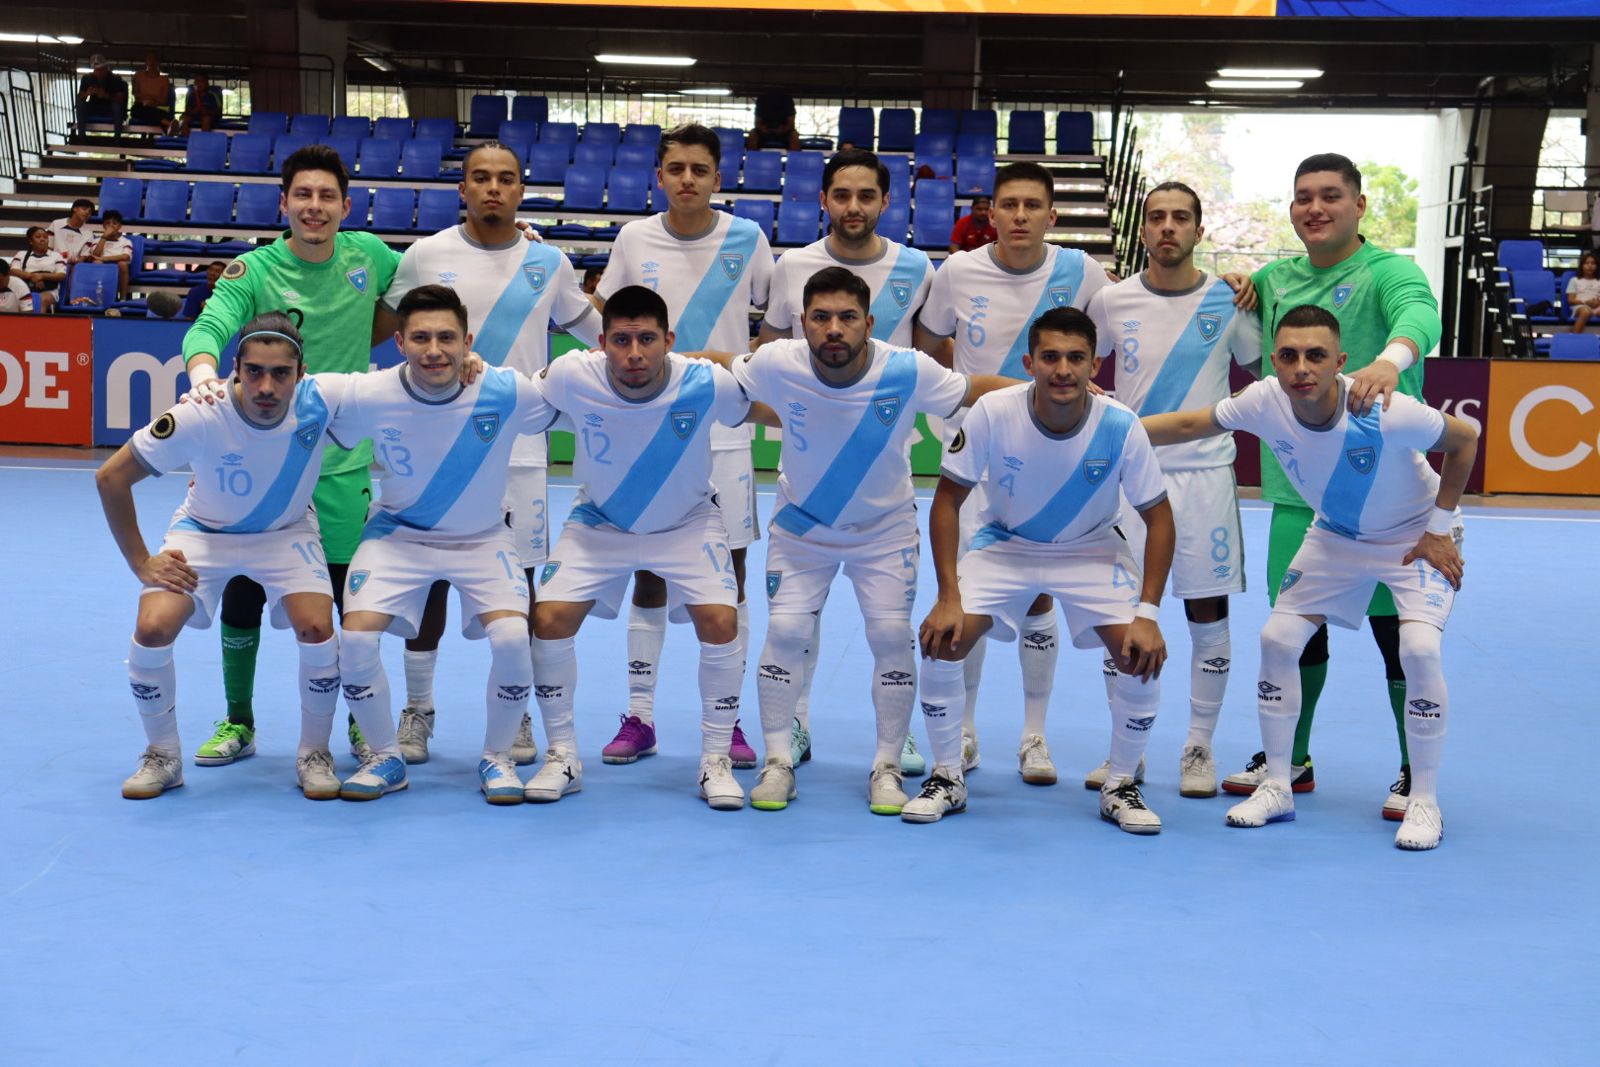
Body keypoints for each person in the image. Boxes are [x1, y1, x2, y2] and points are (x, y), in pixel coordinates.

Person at [1143, 305, 1478, 850]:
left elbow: (1463, 441)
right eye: (1290, 356)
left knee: (1418, 649)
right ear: (1273, 362)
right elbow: (1188, 424)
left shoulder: (1384, 410)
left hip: (1415, 535)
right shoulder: (1263, 401)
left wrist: (1440, 528)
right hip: (1338, 534)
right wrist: (1104, 428)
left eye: (1316, 355)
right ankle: (1278, 785)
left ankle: (1424, 800)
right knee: (1277, 638)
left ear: (1339, 361)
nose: (1303, 367)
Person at [726, 266, 1015, 814]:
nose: (834, 328)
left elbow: (975, 390)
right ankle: (777, 762)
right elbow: (722, 374)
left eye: (847, 318)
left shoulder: (908, 370)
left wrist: (1042, 388)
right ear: (801, 323)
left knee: (889, 638)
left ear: (870, 323)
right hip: (802, 528)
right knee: (786, 631)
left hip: (883, 532)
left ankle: (886, 766)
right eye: (820, 318)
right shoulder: (775, 363)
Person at [1226, 152, 1442, 821]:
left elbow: (1420, 316)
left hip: (1387, 499)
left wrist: (1390, 358)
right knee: (1293, 633)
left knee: (1395, 636)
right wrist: (1237, 279)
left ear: (1359, 205)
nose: (1314, 208)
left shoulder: (1389, 271)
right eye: (1302, 198)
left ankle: (1414, 770)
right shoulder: (1274, 278)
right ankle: (1292, 760)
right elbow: (1235, 312)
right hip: (1299, 498)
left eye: (1329, 196)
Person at [181, 144, 405, 767]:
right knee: (245, 593)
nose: (314, 206)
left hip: (340, 461)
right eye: (302, 195)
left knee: (345, 600)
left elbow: (430, 279)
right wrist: (203, 373)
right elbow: (209, 328)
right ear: (284, 204)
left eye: (326, 196)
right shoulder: (252, 271)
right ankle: (239, 722)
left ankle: (359, 721)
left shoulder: (372, 257)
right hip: (264, 463)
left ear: (345, 205)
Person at [377, 140, 600, 765]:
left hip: (518, 452)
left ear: (521, 191)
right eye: (481, 178)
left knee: (519, 587)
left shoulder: (549, 262)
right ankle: (418, 711)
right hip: (430, 450)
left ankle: (517, 711)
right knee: (428, 585)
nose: (493, 188)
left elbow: (599, 335)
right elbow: (381, 329)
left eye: (506, 179)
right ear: (463, 189)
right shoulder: (426, 254)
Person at [909, 306, 1174, 829]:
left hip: (1091, 548)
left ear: (1095, 365)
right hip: (1006, 546)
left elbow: (1160, 519)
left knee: (1139, 654)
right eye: (1050, 357)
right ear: (1029, 362)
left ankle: (1121, 784)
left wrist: (1148, 612)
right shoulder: (991, 411)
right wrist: (947, 596)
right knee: (942, 640)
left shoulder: (1121, 426)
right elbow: (945, 502)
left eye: (1076, 358)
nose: (1063, 370)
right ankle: (946, 775)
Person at [526, 285, 772, 809]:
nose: (634, 354)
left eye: (646, 339)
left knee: (721, 621)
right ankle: (562, 755)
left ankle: (715, 760)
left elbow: (765, 409)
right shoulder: (572, 375)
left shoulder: (706, 382)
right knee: (547, 620)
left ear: (670, 341)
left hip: (687, 523)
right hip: (600, 525)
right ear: (600, 342)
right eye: (621, 340)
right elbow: (517, 396)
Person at [914, 161, 1114, 784]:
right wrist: (973, 400)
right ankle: (965, 730)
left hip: (1055, 455)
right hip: (979, 456)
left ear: (1052, 216)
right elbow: (930, 346)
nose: (1020, 216)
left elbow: (1109, 339)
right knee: (969, 595)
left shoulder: (1084, 272)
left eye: (1033, 206)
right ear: (990, 214)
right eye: (1009, 205)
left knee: (1038, 595)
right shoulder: (958, 272)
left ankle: (1034, 735)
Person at [94, 313, 346, 801]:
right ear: (235, 368)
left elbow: (406, 387)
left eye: (280, 373)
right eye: (254, 371)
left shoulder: (325, 399)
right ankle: (163, 755)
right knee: (152, 628)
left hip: (285, 532)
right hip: (204, 532)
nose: (266, 385)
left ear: (302, 373)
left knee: (317, 628)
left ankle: (314, 753)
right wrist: (141, 562)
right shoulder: (199, 412)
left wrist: (471, 364)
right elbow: (111, 477)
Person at [327, 285, 549, 804]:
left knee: (515, 639)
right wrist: (207, 388)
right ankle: (385, 756)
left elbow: (585, 391)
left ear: (468, 341)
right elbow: (286, 389)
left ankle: (496, 758)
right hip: (398, 536)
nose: (434, 350)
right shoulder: (368, 392)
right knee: (356, 640)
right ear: (399, 342)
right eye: (421, 338)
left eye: (447, 338)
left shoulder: (505, 389)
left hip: (481, 538)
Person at [594, 123, 772, 768]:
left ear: (717, 179)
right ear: (660, 177)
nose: (688, 179)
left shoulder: (749, 239)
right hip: (645, 432)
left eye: (700, 169)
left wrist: (737, 369)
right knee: (649, 569)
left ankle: (727, 724)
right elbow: (606, 321)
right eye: (676, 169)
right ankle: (640, 716)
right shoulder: (633, 238)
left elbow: (773, 325)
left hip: (722, 431)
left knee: (733, 575)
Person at [755, 147, 937, 773]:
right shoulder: (794, 266)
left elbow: (936, 361)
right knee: (793, 623)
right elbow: (769, 357)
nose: (854, 207)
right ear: (824, 199)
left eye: (867, 196)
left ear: (887, 202)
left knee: (889, 630)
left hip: (884, 464)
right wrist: (811, 419)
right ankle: (794, 722)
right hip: (809, 469)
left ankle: (897, 736)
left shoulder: (917, 267)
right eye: (842, 195)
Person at [1085, 181, 1261, 798]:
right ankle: (1123, 755)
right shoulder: (1112, 300)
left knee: (1205, 612)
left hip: (1206, 477)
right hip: (1130, 480)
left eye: (1180, 218)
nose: (1167, 227)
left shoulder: (1230, 300)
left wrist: (1250, 286)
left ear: (1199, 231)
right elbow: (1083, 362)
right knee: (1120, 615)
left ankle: (1198, 748)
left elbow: (1260, 365)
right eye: (1155, 217)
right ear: (1141, 231)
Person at [80, 208, 134, 299]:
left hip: (117, 265)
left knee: (123, 264)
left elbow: (126, 256)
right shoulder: (96, 240)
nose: (111, 226)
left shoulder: (126, 241)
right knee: (97, 262)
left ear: (120, 226)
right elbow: (96, 255)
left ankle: (123, 298)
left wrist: (105, 258)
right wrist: (104, 237)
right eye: (107, 223)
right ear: (103, 226)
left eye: (114, 223)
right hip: (101, 265)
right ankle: (98, 296)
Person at [11, 227, 67, 312]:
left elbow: (61, 275)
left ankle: (38, 325)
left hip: (49, 290)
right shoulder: (21, 254)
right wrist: (33, 277)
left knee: (40, 299)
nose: (42, 239)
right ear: (30, 241)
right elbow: (13, 271)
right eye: (38, 237)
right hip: (25, 289)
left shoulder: (56, 255)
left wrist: (42, 276)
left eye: (45, 237)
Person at [76, 54, 127, 132]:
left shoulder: (115, 79)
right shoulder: (87, 78)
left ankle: (117, 140)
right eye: (97, 70)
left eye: (101, 69)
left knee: (117, 107)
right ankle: (81, 138)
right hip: (93, 107)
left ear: (106, 68)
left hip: (110, 108)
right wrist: (87, 93)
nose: (99, 72)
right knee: (81, 105)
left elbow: (121, 99)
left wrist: (107, 96)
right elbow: (79, 97)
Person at [130, 51, 173, 129]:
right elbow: (136, 94)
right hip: (140, 106)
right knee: (139, 110)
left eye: (155, 59)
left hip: (157, 107)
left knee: (157, 112)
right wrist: (149, 100)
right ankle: (167, 123)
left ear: (158, 62)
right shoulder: (138, 75)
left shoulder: (164, 79)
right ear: (146, 61)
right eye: (149, 59)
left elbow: (164, 100)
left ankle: (168, 128)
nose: (152, 62)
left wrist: (153, 102)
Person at [49, 199, 96, 263]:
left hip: (74, 266)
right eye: (84, 209)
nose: (87, 213)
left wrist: (75, 262)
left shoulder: (89, 234)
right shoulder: (56, 224)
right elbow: (48, 248)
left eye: (90, 212)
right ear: (75, 209)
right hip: (53, 262)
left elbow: (83, 257)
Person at [1566, 250, 1599, 332]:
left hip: (1597, 307)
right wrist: (1585, 303)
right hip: (1580, 307)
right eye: (1587, 263)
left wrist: (1597, 303)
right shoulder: (1574, 280)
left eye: (1593, 263)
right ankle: (1573, 337)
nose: (1590, 266)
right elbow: (1570, 300)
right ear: (1582, 266)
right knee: (1585, 312)